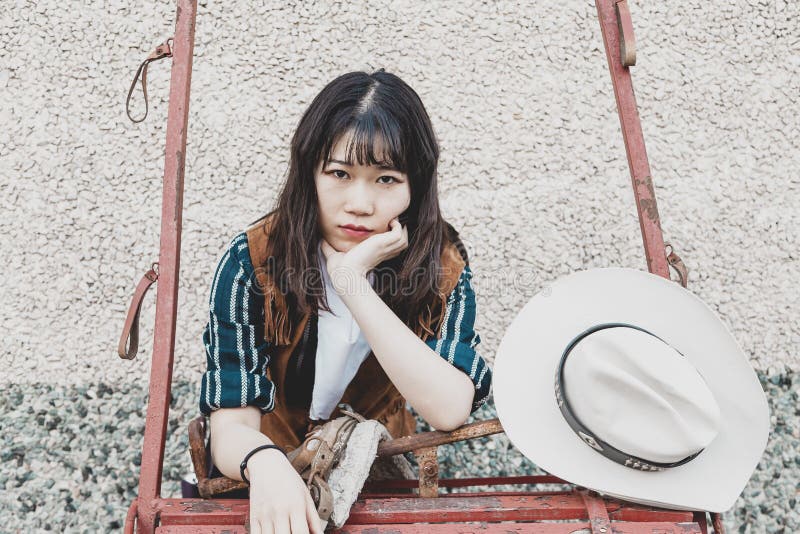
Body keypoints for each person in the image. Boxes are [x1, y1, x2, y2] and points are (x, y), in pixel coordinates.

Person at [198, 69, 492, 534]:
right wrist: (266, 464)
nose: (360, 203)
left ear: (415, 186)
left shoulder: (440, 266)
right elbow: (231, 423)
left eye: (386, 179)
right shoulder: (253, 261)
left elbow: (450, 408)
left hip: (375, 477)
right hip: (259, 475)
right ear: (309, 171)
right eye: (339, 173)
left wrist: (352, 284)